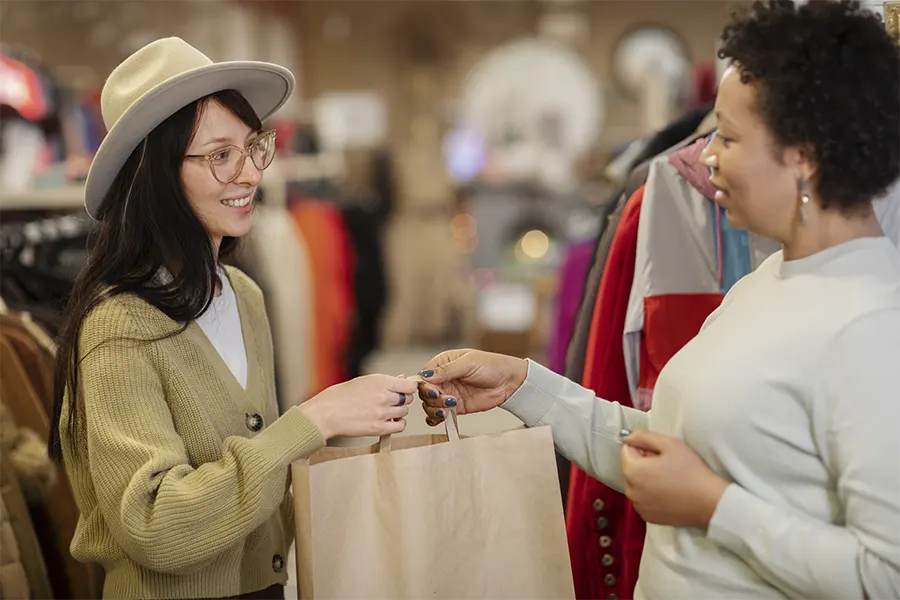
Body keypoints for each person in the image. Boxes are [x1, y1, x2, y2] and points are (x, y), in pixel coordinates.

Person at [417, 1, 900, 598]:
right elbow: (667, 451)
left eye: (727, 135)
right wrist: (525, 387)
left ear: (804, 156)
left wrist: (712, 506)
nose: (706, 156)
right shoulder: (767, 283)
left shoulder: (873, 325)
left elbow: (885, 574)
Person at [48, 38, 418, 600]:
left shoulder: (241, 294)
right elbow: (154, 526)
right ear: (156, 175)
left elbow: (253, 476)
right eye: (219, 155)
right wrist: (310, 422)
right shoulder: (118, 325)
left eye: (251, 148)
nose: (249, 174)